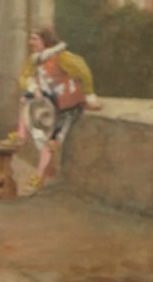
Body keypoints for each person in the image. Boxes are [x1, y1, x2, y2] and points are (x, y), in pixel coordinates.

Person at [16, 25, 98, 187]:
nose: (30, 42)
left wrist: (89, 96)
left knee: (51, 141)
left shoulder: (62, 57)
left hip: (68, 104)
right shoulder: (34, 59)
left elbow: (83, 71)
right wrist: (34, 87)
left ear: (45, 41)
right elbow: (23, 78)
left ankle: (40, 176)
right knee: (26, 100)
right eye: (30, 38)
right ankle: (20, 136)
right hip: (49, 101)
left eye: (34, 39)